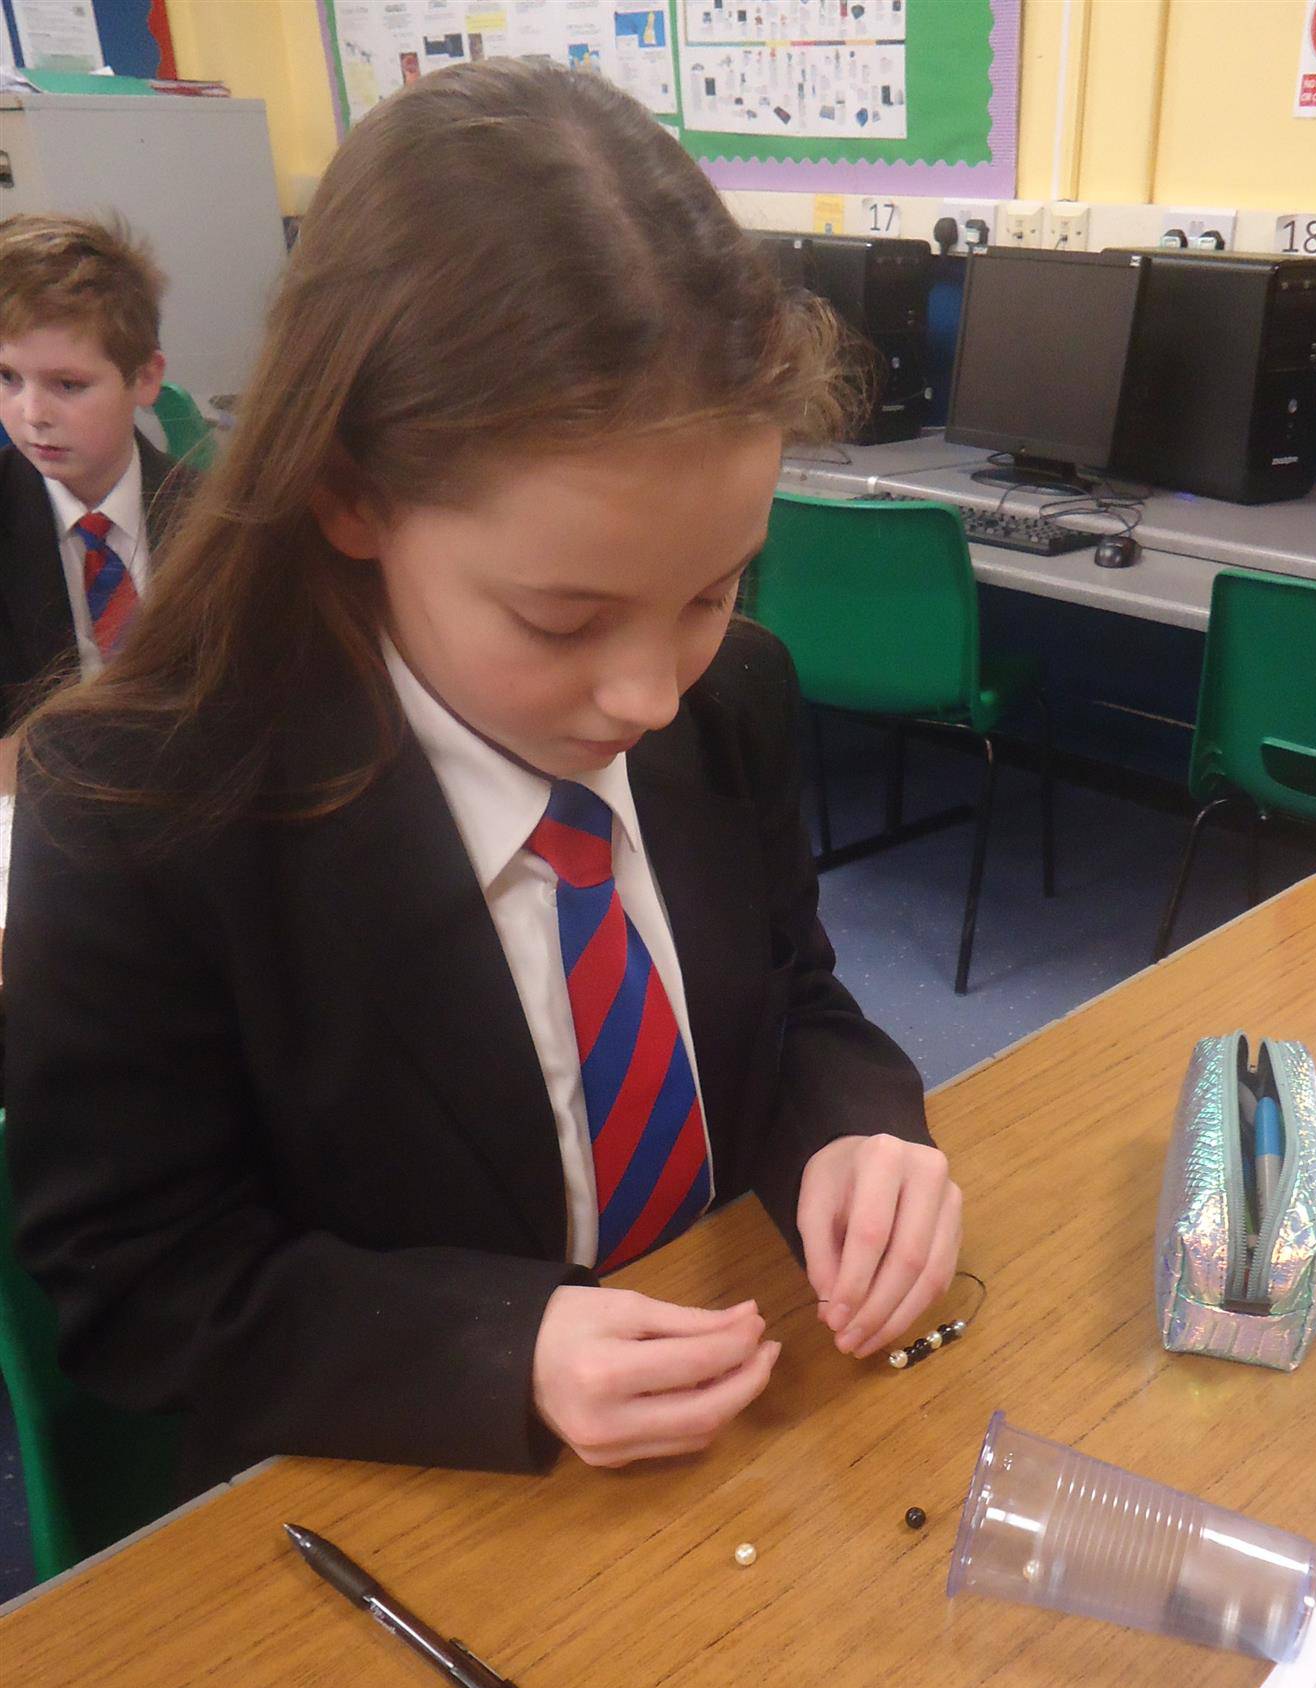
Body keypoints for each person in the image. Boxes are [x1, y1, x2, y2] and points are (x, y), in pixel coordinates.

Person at [6, 60, 961, 1493]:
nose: (650, 695)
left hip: (739, 1445)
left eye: (713, 590)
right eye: (562, 620)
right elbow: (137, 1280)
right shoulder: (143, 809)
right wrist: (501, 1348)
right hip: (418, 1499)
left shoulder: (735, 700)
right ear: (349, 494)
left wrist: (858, 1131)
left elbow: (793, 1000)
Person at [0, 214, 194, 786]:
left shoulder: (219, 521)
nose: (32, 414)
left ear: (146, 379)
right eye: (7, 377)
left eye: (68, 384)